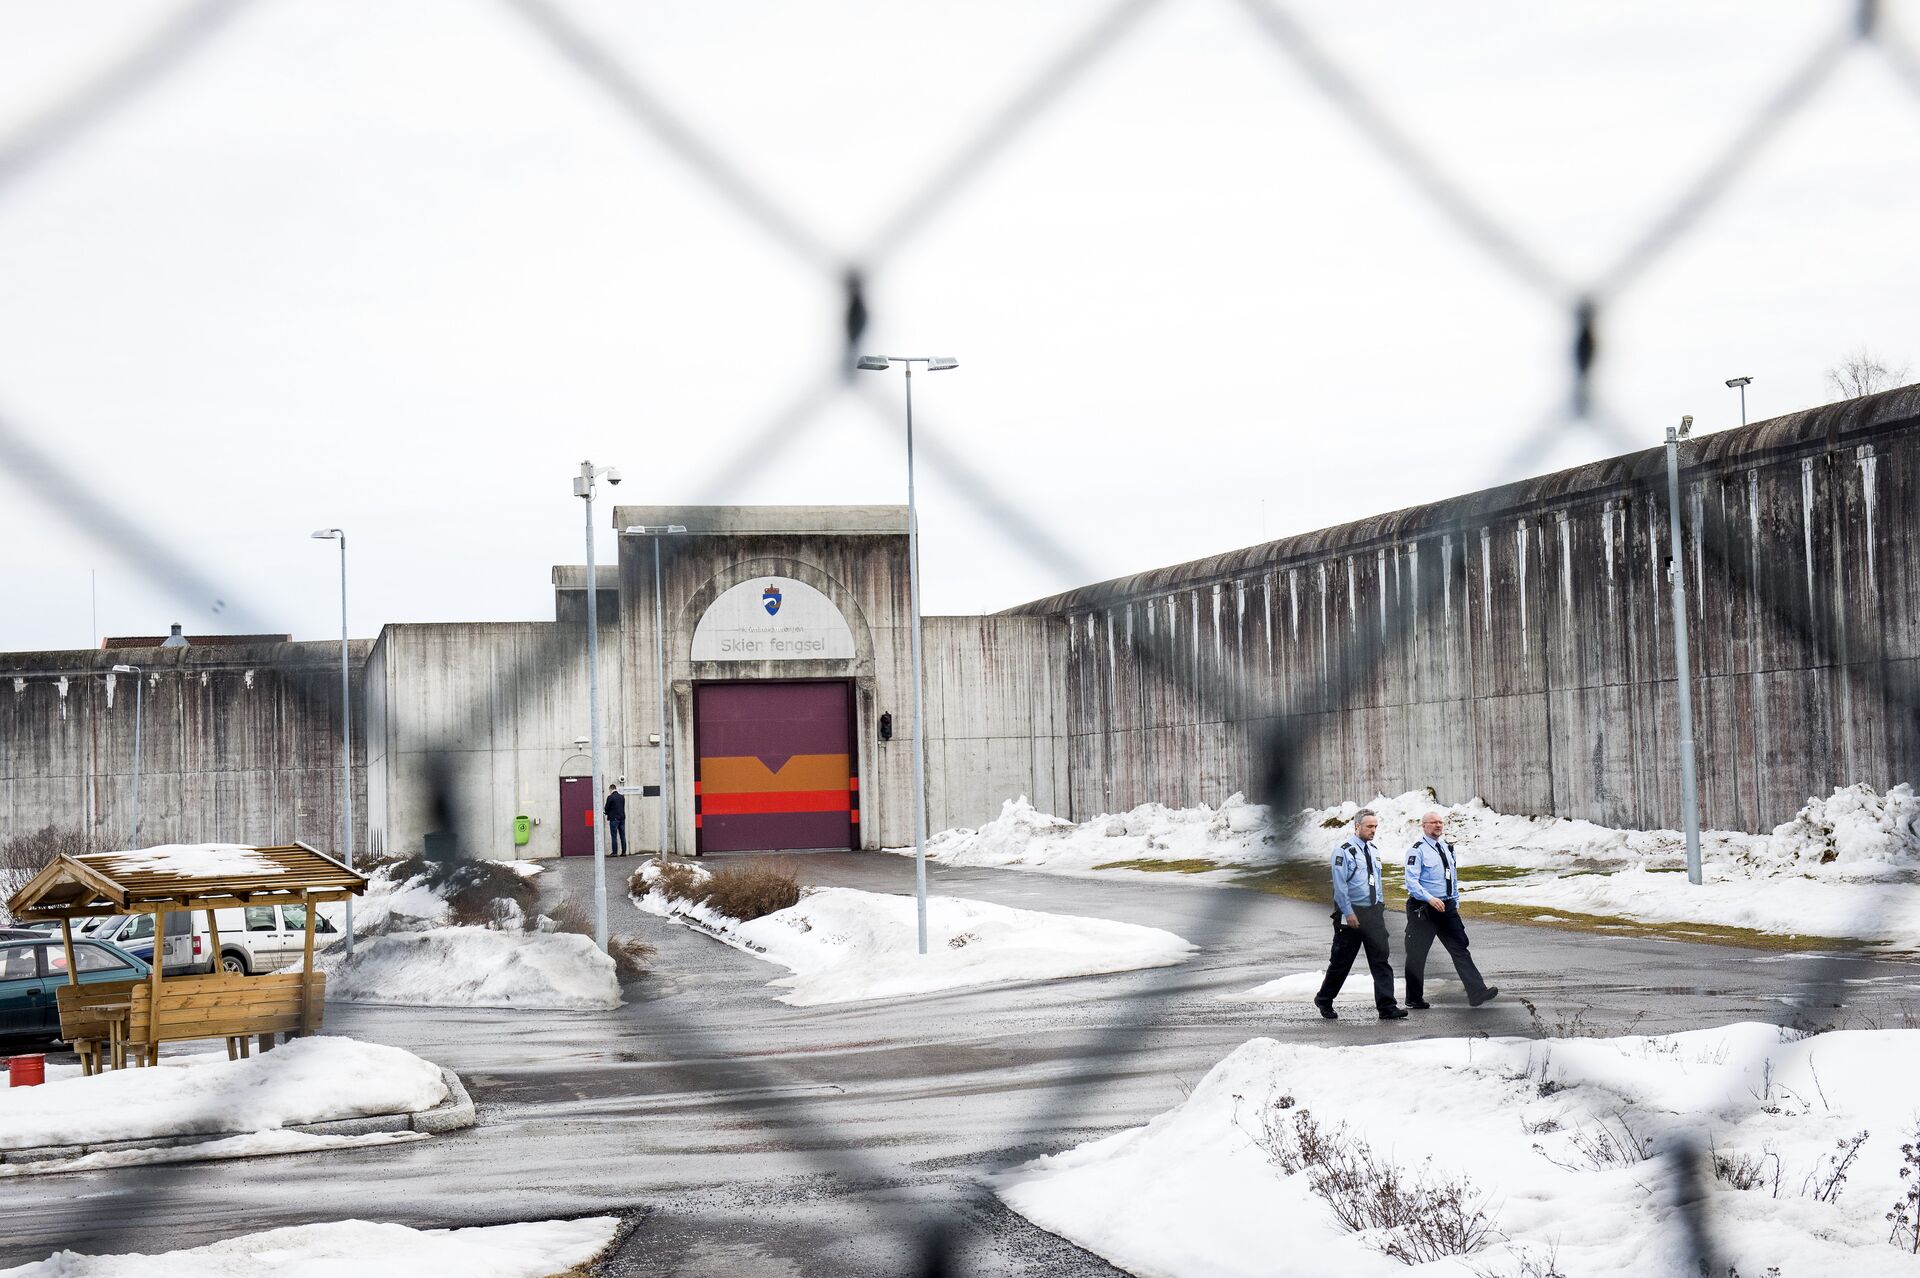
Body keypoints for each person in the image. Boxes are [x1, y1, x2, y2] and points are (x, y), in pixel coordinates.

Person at [1313, 808, 1408, 1020]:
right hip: (1352, 914)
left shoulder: (1373, 850)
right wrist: (1348, 913)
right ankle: (1324, 999)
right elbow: (1340, 887)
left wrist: (1380, 904)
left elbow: (1376, 881)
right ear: (1357, 826)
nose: (1373, 830)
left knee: (1380, 960)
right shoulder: (1343, 851)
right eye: (1369, 827)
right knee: (1341, 962)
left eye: (1375, 827)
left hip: (1373, 913)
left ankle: (1387, 1007)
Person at [1402, 810, 1498, 1009]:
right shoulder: (1417, 850)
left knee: (1460, 948)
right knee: (1417, 954)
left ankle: (1477, 992)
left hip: (1447, 907)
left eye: (1440, 822)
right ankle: (1414, 998)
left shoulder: (1446, 848)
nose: (1438, 826)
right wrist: (1430, 899)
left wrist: (1455, 901)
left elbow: (1451, 877)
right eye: (1433, 822)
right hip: (1424, 909)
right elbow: (1412, 882)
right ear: (1424, 826)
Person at [605, 782, 628, 856]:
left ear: (611, 789)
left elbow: (606, 808)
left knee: (614, 836)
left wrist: (606, 812)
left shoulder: (610, 797)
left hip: (614, 819)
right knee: (622, 835)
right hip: (622, 818)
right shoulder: (622, 797)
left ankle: (614, 852)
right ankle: (624, 852)